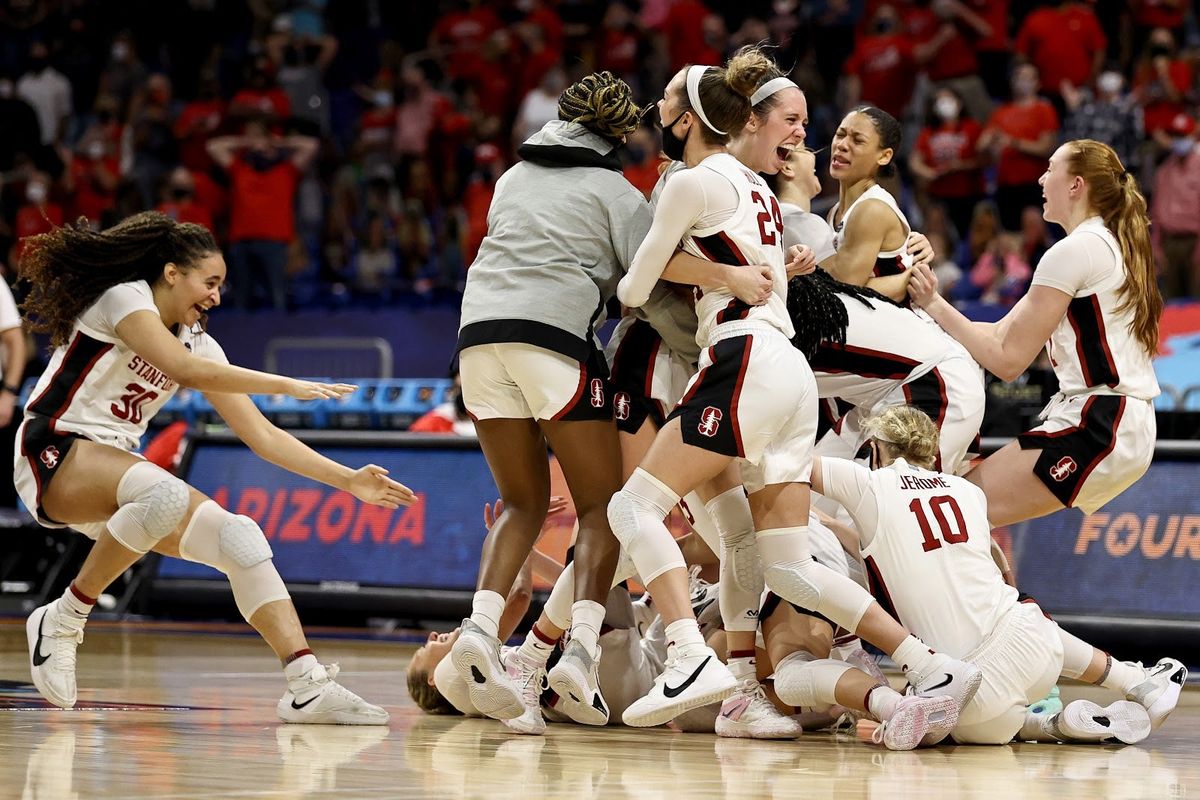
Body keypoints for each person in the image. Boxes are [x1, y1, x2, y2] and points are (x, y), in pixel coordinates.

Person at [612, 57, 979, 731]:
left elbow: (632, 290)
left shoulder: (691, 181)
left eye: (667, 101)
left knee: (632, 508)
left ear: (694, 117)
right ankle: (926, 668)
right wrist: (733, 270)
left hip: (743, 357)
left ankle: (689, 657)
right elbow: (762, 270)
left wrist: (708, 272)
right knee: (779, 563)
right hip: (790, 376)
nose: (658, 113)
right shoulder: (754, 189)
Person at [17, 212, 414, 724]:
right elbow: (181, 371)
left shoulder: (200, 343)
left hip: (116, 473)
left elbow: (263, 436)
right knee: (163, 496)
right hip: (53, 449)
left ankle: (306, 685)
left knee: (240, 539)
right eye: (210, 283)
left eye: (222, 286)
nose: (216, 297)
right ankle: (64, 619)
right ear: (171, 274)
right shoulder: (127, 299)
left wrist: (348, 480)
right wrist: (288, 384)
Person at [450, 71, 647, 727]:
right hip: (554, 340)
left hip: (476, 338)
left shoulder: (511, 177)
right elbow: (645, 286)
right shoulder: (619, 193)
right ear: (620, 133)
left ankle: (479, 630)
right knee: (601, 507)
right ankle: (579, 656)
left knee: (521, 502)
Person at [812, 406, 1186, 744]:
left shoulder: (868, 482)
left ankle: (1045, 723)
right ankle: (1123, 686)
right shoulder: (968, 491)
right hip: (1035, 646)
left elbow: (792, 465)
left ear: (876, 450)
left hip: (966, 691)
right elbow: (973, 559)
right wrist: (831, 524)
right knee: (1018, 614)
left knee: (970, 721)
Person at [908, 139, 1163, 528]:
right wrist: (924, 322)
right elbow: (996, 331)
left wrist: (933, 303)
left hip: (1100, 420)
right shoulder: (1099, 244)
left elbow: (1007, 360)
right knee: (961, 516)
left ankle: (998, 593)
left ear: (1075, 185)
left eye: (1050, 170)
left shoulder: (1075, 250)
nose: (1041, 179)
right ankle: (996, 589)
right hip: (1116, 419)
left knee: (952, 514)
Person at [206, 119, 319, 310]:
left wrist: (276, 142)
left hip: (275, 243)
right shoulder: (240, 169)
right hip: (241, 241)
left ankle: (279, 334)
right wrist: (248, 141)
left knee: (277, 296)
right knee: (242, 298)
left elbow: (312, 145)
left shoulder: (286, 171)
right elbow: (213, 146)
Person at [825, 106, 913, 303]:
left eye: (857, 140)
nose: (842, 145)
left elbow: (842, 289)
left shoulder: (873, 208)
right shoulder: (835, 212)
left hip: (908, 324)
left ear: (884, 156)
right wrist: (903, 281)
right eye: (840, 135)